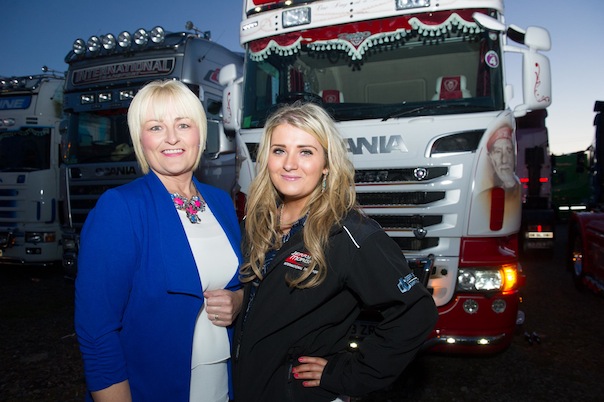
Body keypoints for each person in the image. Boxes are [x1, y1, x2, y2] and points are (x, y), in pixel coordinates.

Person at [231, 101, 438, 401]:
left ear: (326, 163)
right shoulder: (257, 222)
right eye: (279, 150)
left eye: (306, 151)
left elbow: (416, 313)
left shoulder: (350, 233)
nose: (290, 163)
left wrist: (347, 374)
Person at [75, 79, 243, 402]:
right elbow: (97, 332)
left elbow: (241, 281)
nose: (171, 138)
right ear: (141, 138)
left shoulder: (221, 202)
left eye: (183, 124)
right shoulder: (120, 208)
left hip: (223, 385)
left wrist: (237, 300)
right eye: (155, 127)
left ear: (200, 133)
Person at [487, 125, 519, 190]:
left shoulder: (517, 187)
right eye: (498, 152)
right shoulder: (484, 193)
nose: (504, 160)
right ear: (490, 157)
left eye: (509, 151)